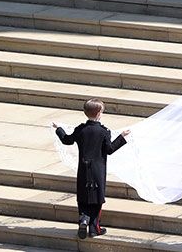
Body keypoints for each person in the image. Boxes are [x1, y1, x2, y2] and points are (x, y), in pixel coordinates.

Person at [52, 98, 129, 238]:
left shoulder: (81, 129)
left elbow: (67, 140)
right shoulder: (104, 131)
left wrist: (59, 129)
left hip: (83, 169)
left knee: (83, 195)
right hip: (98, 171)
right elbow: (109, 149)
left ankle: (83, 219)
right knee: (97, 198)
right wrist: (122, 137)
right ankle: (94, 229)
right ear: (99, 113)